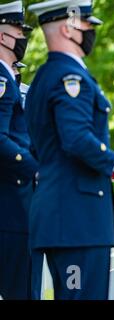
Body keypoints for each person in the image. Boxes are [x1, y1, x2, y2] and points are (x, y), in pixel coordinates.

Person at [26, 0, 114, 300]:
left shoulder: (44, 77)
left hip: (65, 215)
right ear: (67, 28)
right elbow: (75, 138)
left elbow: (38, 146)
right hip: (77, 218)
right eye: (86, 24)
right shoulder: (69, 78)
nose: (90, 31)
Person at [0, 0, 37, 300]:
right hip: (12, 203)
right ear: (2, 36)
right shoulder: (2, 80)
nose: (23, 37)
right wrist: (36, 167)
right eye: (18, 30)